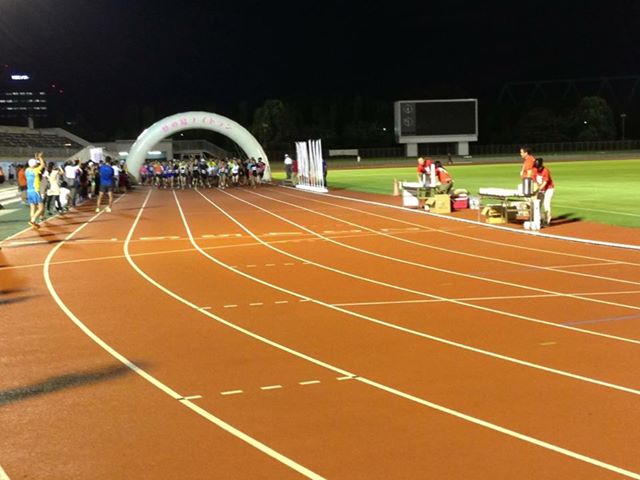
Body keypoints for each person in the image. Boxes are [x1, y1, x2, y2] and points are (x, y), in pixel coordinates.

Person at [532, 157, 555, 226]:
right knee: (537, 204)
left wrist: (538, 190)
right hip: (540, 189)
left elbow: (545, 183)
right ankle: (539, 218)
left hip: (548, 189)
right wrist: (535, 189)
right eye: (536, 167)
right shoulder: (534, 170)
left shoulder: (545, 171)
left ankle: (547, 220)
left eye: (538, 167)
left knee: (546, 203)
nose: (537, 168)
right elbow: (534, 181)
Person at [25, 153, 45, 228]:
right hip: (35, 191)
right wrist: (40, 157)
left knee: (32, 207)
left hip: (29, 191)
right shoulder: (35, 170)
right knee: (41, 208)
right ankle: (32, 221)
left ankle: (33, 221)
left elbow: (34, 165)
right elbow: (42, 165)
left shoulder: (27, 170)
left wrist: (36, 159)